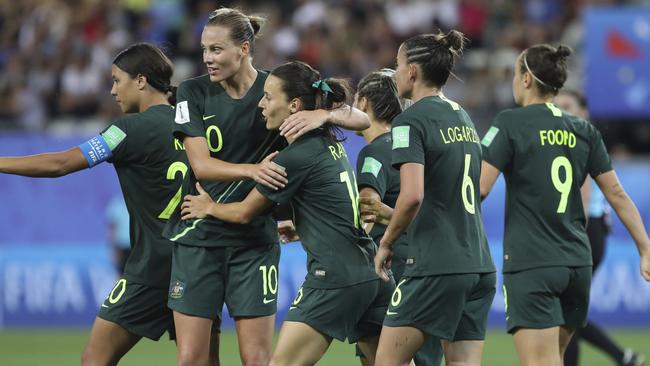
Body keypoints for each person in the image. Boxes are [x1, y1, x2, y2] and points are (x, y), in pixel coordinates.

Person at [162, 8, 370, 366]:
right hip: (199, 236)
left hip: (253, 243)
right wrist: (254, 171)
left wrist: (325, 114)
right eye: (204, 50)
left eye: (216, 50)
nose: (207, 59)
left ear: (244, 49)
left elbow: (362, 119)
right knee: (192, 359)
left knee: (257, 359)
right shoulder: (191, 93)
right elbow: (200, 164)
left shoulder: (277, 89)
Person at [0, 43, 198, 366]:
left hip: (154, 265)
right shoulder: (195, 123)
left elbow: (60, 164)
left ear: (141, 81)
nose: (112, 90)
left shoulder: (126, 131)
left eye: (117, 80)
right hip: (199, 261)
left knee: (95, 358)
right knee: (201, 360)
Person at [480, 44, 650, 366]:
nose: (513, 82)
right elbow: (616, 193)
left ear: (527, 79)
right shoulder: (583, 130)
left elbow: (480, 188)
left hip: (533, 262)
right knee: (554, 358)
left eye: (515, 74)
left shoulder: (510, 123)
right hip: (576, 264)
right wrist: (645, 247)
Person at [373, 30, 496, 366]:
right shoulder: (463, 116)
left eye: (397, 65)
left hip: (436, 265)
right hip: (480, 265)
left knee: (385, 362)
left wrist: (386, 242)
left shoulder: (409, 121)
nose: (394, 72)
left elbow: (412, 195)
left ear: (412, 70)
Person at [354, 69, 443, 366]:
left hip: (394, 270)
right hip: (434, 263)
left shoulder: (374, 152)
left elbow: (367, 205)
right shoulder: (419, 148)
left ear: (363, 102)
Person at [554, 90, 645, 366]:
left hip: (585, 228)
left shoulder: (580, 139)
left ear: (584, 111)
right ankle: (623, 357)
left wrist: (571, 233)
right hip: (590, 229)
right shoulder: (573, 138)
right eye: (557, 107)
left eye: (568, 106)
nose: (562, 112)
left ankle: (621, 356)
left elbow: (588, 193)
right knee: (569, 310)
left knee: (566, 310)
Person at [106, 194, 131, 275]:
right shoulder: (115, 206)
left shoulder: (138, 204)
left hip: (136, 246)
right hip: (121, 247)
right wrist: (113, 250)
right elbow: (111, 230)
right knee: (122, 273)